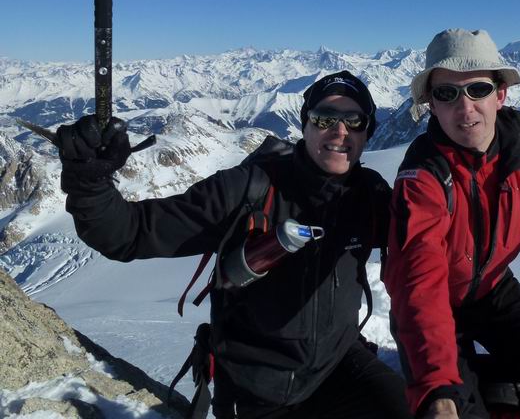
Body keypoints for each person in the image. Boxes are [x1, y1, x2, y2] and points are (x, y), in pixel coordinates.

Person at [57, 70, 412, 419]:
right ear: (304, 126)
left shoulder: (370, 195)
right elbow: (129, 234)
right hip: (255, 386)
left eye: (354, 120)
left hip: (337, 366)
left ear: (368, 132)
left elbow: (426, 240)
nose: (339, 131)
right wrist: (89, 181)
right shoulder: (248, 189)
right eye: (324, 118)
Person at [384, 29, 520, 419]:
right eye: (447, 94)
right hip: (435, 307)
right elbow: (419, 280)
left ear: (500, 95)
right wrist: (437, 388)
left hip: (494, 289)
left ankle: (489, 385)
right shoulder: (423, 174)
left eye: (478, 89)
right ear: (431, 104)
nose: (465, 108)